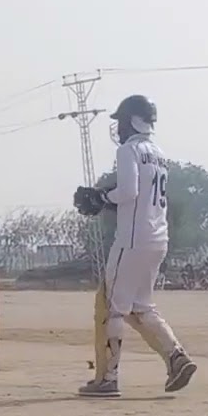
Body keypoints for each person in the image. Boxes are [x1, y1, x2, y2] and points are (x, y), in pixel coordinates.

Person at [77, 95, 196, 398]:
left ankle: (107, 378)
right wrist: (108, 198)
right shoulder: (159, 153)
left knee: (110, 308)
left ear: (131, 121)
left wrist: (102, 198)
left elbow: (128, 191)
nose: (118, 128)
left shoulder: (128, 150)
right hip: (158, 239)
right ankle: (176, 356)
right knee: (141, 306)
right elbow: (140, 196)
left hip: (131, 240)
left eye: (120, 121)